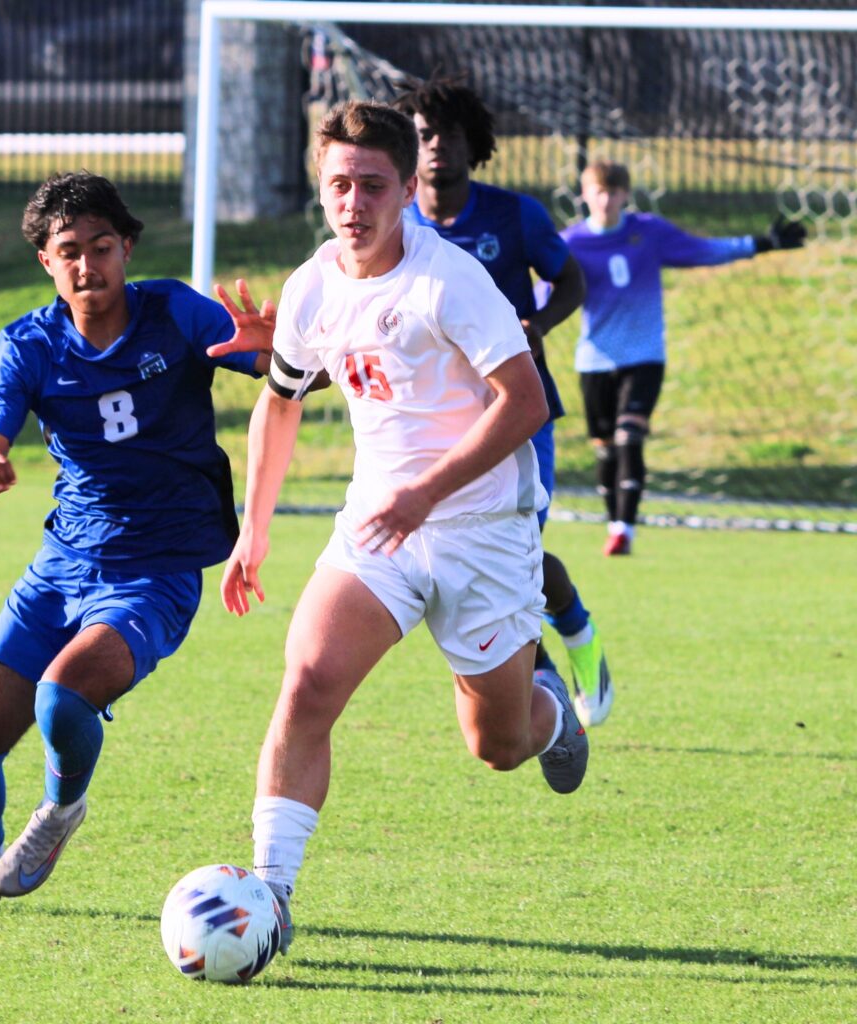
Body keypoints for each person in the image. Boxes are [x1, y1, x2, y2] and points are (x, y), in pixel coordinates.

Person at [209, 100, 589, 956]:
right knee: (305, 686)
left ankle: (551, 713)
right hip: (377, 529)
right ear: (321, 187)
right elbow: (280, 401)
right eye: (339, 184)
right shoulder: (313, 285)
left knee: (497, 746)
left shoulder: (450, 280)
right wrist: (253, 532)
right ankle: (269, 900)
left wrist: (428, 492)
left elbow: (524, 403)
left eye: (374, 185)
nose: (354, 203)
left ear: (409, 187)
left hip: (483, 529)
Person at [0, 171, 272, 914]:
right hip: (62, 565)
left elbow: (292, 372)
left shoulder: (174, 311)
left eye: (101, 246)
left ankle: (61, 810)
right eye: (68, 250)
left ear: (127, 246)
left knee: (62, 697)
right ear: (46, 261)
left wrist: (280, 354)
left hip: (157, 572)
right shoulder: (26, 346)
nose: (87, 265)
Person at [394, 78, 612, 728]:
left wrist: (539, 327)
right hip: (436, 421)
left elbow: (570, 277)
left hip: (516, 410)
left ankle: (576, 636)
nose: (437, 148)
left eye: (449, 135)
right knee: (468, 559)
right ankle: (540, 680)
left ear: (474, 143)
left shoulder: (515, 215)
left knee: (517, 553)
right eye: (424, 135)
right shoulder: (395, 222)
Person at [562, 160, 807, 555]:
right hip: (594, 360)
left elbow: (704, 251)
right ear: (585, 195)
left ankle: (625, 529)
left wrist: (762, 243)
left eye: (614, 192)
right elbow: (548, 293)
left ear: (626, 195)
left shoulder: (649, 232)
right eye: (598, 192)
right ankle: (614, 522)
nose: (606, 200)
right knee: (605, 448)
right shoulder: (570, 244)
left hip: (644, 357)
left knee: (630, 437)